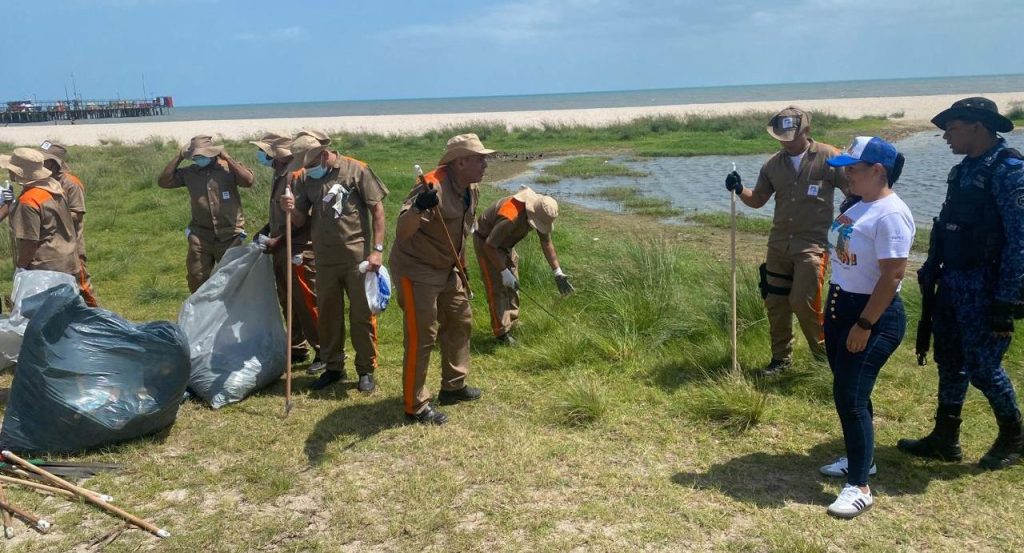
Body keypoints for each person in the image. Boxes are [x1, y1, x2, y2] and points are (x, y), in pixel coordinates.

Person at [897, 97, 1024, 470]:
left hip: (987, 286)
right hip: (953, 280)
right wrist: (931, 267)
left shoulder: (1009, 171)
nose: (946, 137)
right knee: (950, 360)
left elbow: (1020, 239)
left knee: (984, 367)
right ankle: (945, 437)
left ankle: (1015, 436)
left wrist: (1008, 298)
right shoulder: (964, 170)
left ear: (977, 127)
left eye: (951, 128)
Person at [815, 136, 913, 519]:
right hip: (843, 308)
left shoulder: (890, 213)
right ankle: (863, 459)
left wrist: (865, 324)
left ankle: (860, 486)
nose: (846, 176)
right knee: (852, 391)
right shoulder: (860, 204)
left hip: (873, 315)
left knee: (851, 397)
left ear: (878, 171)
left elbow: (893, 276)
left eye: (853, 170)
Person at [725, 106, 848, 375]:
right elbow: (757, 200)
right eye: (781, 136)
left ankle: (824, 360)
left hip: (812, 247)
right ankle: (781, 360)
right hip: (778, 245)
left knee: (803, 302)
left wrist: (850, 224)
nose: (784, 140)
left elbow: (853, 191)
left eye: (790, 135)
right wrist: (739, 188)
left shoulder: (829, 156)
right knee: (776, 304)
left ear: (806, 131)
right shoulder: (772, 165)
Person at [389, 133, 489, 425]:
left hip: (448, 268)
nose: (485, 163)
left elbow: (462, 235)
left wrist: (463, 269)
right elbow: (403, 232)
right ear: (460, 162)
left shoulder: (472, 189)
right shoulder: (431, 185)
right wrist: (420, 207)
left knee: (461, 319)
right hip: (416, 268)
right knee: (423, 334)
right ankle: (415, 405)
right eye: (479, 159)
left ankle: (453, 386)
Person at [279, 134, 388, 393]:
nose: (307, 168)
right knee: (328, 316)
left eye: (310, 162)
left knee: (362, 315)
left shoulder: (356, 169)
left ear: (323, 154)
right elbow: (299, 221)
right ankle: (333, 367)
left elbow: (378, 211)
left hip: (357, 260)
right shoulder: (305, 178)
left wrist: (378, 250)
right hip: (324, 259)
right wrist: (290, 208)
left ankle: (366, 370)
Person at [251, 133, 325, 373]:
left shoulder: (296, 176)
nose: (262, 156)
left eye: (265, 151)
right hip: (280, 246)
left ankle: (323, 351)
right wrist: (265, 231)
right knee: (287, 300)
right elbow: (279, 217)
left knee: (305, 301)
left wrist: (278, 240)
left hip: (297, 248)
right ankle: (297, 346)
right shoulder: (279, 173)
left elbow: (302, 220)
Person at [474, 187, 574, 344]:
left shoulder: (540, 211)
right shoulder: (510, 216)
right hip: (487, 242)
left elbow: (546, 242)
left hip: (505, 244)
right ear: (531, 213)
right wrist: (503, 272)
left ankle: (512, 321)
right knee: (497, 287)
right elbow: (489, 246)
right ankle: (501, 332)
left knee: (514, 284)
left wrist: (558, 272)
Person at [158, 135, 254, 293]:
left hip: (230, 235)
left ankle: (230, 311)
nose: (198, 159)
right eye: (195, 156)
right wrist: (179, 156)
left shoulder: (228, 168)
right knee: (196, 277)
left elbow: (248, 181)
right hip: (200, 235)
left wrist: (228, 158)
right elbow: (164, 182)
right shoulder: (190, 172)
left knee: (233, 278)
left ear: (212, 153)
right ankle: (201, 312)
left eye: (202, 155)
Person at [0, 148, 79, 277]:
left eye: (11, 168)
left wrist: (21, 267)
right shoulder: (53, 188)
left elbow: (30, 242)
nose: (8, 171)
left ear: (19, 172)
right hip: (67, 259)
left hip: (44, 267)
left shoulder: (28, 200)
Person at [37, 140, 98, 306]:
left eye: (45, 160)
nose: (41, 162)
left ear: (55, 163)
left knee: (83, 287)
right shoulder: (41, 182)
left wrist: (47, 216)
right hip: (50, 246)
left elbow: (77, 214)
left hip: (72, 245)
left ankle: (99, 318)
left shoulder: (71, 183)